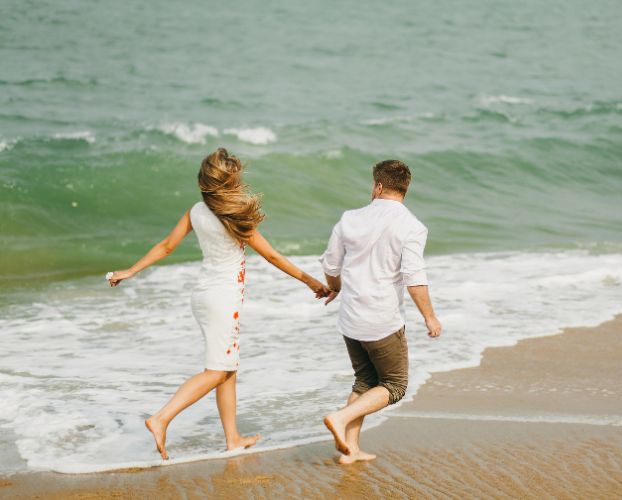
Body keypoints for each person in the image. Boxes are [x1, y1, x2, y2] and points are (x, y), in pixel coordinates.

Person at [106, 148, 330, 460]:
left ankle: (233, 438)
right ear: (231, 181)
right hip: (222, 301)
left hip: (203, 296)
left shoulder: (196, 211)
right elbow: (272, 255)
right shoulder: (234, 217)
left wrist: (131, 270)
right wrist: (310, 281)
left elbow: (166, 246)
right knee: (216, 371)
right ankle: (161, 418)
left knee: (228, 369)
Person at [319, 159, 442, 464]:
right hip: (382, 320)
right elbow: (414, 278)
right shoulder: (412, 226)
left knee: (364, 381)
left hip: (350, 318)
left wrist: (333, 287)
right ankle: (340, 417)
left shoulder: (349, 218)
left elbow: (331, 265)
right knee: (395, 386)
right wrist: (429, 316)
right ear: (405, 189)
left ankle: (350, 450)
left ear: (378, 186)